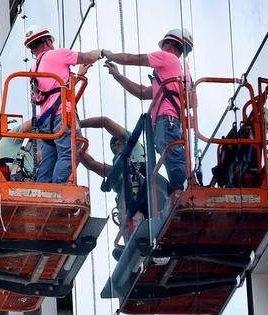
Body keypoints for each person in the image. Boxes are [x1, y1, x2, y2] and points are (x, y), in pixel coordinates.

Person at [102, 28, 194, 193]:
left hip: (166, 119)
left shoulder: (167, 57)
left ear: (170, 45)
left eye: (163, 45)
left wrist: (110, 54)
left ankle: (184, 190)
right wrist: (117, 76)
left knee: (171, 153)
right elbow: (143, 93)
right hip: (170, 120)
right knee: (170, 153)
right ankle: (181, 188)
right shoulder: (172, 74)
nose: (161, 50)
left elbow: (133, 59)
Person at [23, 26, 102, 184]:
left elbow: (57, 91)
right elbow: (88, 57)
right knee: (70, 153)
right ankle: (58, 190)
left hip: (46, 122)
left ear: (33, 50)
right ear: (47, 41)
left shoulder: (33, 69)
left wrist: (78, 76)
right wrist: (101, 53)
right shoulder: (57, 54)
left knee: (48, 161)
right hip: (61, 116)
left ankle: (43, 193)